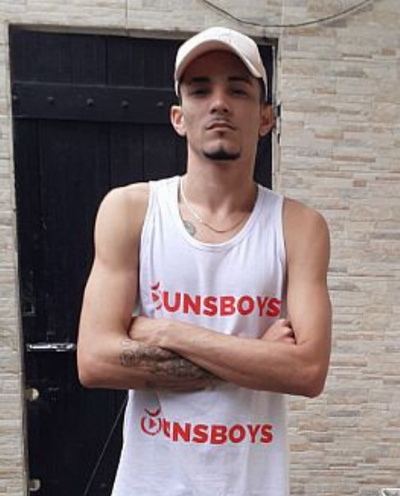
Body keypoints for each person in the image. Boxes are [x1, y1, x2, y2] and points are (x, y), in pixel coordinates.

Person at [77, 26, 331, 496]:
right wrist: (259, 356)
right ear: (179, 117)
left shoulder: (299, 227)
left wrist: (163, 331)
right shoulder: (130, 211)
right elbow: (94, 361)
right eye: (200, 90)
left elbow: (307, 372)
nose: (219, 103)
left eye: (238, 90)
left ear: (265, 117)